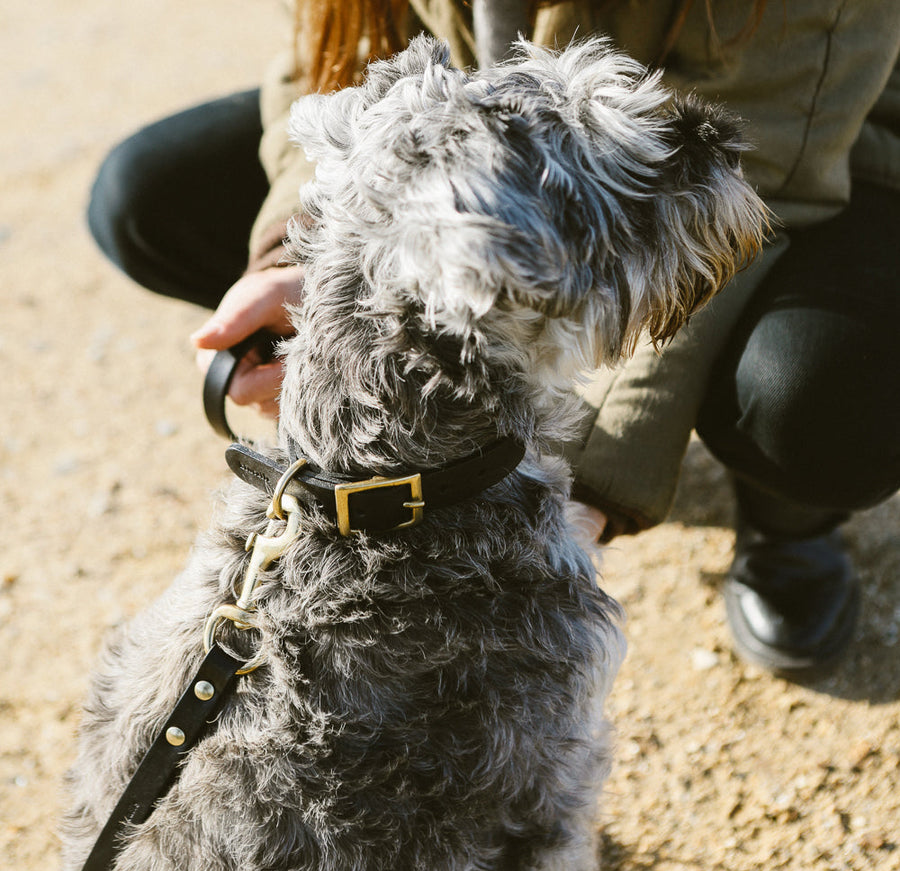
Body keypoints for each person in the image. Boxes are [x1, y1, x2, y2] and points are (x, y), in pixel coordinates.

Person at [87, 0, 900, 677]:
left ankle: (789, 522)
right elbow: (335, 65)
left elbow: (758, 169)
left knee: (817, 392)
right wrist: (305, 259)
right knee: (144, 197)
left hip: (799, 151)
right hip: (497, 146)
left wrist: (586, 484)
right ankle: (484, 412)